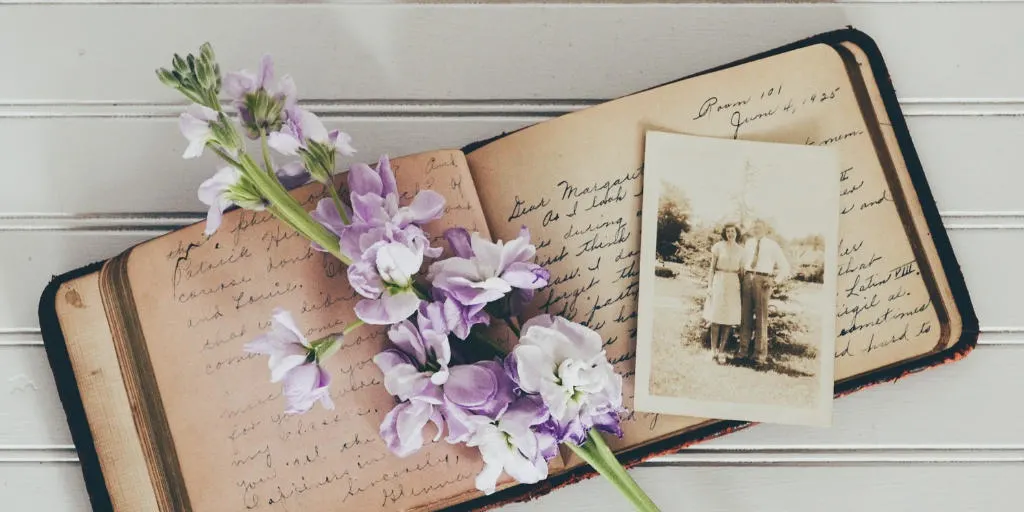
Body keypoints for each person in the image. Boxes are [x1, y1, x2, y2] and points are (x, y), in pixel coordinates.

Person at [739, 219, 791, 364]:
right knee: (745, 317)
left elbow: (785, 267)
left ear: (765, 229)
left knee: (761, 319)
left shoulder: (772, 245)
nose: (756, 230)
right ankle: (743, 352)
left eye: (759, 227)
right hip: (748, 278)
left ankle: (759, 356)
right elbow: (743, 262)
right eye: (754, 227)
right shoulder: (749, 243)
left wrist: (774, 281)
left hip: (763, 281)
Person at [702, 223, 744, 364]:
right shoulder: (718, 246)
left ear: (737, 233)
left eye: (732, 231)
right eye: (727, 231)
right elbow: (711, 269)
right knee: (716, 317)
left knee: (728, 319)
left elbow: (742, 272)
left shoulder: (741, 251)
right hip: (719, 281)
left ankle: (721, 351)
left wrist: (742, 289)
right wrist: (709, 286)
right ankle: (713, 350)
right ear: (725, 233)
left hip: (733, 283)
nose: (730, 234)